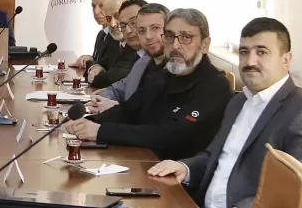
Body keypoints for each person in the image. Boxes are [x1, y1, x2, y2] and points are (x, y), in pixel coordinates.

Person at [149, 18, 302, 208]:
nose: (250, 61)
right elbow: (213, 156)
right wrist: (186, 168)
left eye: (261, 52)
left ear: (286, 59)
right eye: (244, 52)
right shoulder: (238, 102)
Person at [65, 8, 232, 160]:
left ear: (205, 45)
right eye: (169, 36)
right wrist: (87, 122)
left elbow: (171, 134)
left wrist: (100, 131)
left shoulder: (216, 85)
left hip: (180, 175)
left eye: (186, 38)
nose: (175, 45)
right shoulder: (164, 75)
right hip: (144, 161)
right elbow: (128, 110)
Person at [89, 3, 169, 113]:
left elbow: (163, 115)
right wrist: (97, 99)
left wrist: (118, 108)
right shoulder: (142, 62)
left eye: (155, 28)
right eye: (142, 30)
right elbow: (118, 90)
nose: (148, 36)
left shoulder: (178, 68)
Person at [88, 0, 144, 88]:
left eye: (117, 17)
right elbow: (99, 63)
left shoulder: (135, 47)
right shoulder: (114, 42)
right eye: (108, 19)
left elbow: (110, 79)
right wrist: (94, 67)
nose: (113, 24)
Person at [72, 0, 119, 69]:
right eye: (93, 6)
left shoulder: (118, 37)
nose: (96, 11)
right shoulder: (101, 34)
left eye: (101, 5)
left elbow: (108, 67)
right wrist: (89, 59)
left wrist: (90, 62)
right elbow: (101, 62)